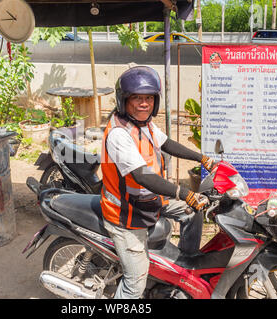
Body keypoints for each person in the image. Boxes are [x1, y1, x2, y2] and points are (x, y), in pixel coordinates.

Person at [100, 66, 214, 299]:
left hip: (148, 200)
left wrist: (201, 158)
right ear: (124, 101)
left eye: (149, 98)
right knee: (134, 284)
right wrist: (183, 192)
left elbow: (167, 143)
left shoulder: (144, 124)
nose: (144, 104)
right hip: (126, 214)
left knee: (193, 212)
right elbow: (142, 177)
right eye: (137, 98)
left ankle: (183, 266)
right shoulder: (119, 134)